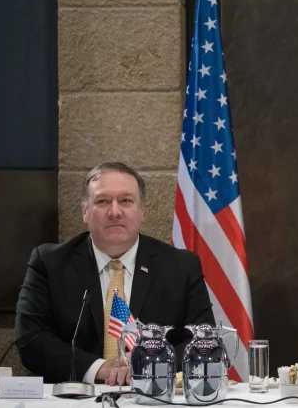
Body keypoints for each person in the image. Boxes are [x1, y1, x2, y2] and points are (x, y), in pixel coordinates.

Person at [15, 162, 215, 385]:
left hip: (150, 394)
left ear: (142, 210)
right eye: (102, 201)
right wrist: (99, 368)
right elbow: (31, 340)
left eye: (126, 201)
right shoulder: (50, 263)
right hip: (72, 395)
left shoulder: (181, 266)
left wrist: (147, 364)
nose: (115, 212)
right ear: (85, 211)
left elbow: (204, 343)